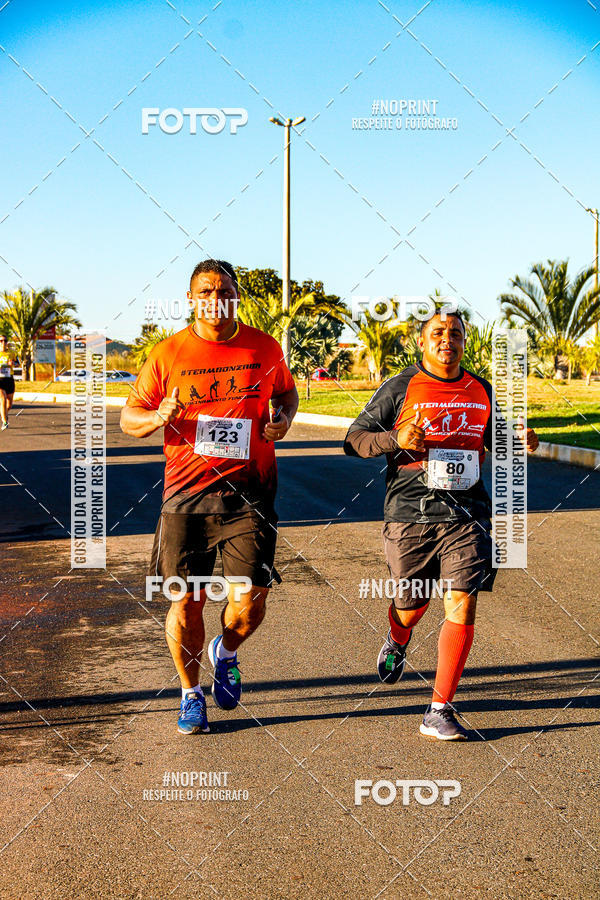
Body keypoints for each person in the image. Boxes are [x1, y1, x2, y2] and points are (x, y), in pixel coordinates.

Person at [120, 259, 298, 735]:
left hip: (251, 495)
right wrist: (158, 416)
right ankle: (189, 694)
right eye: (206, 290)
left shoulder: (263, 347)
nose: (215, 297)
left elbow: (287, 395)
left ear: (236, 296)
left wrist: (282, 418)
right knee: (186, 602)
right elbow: (128, 420)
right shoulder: (167, 353)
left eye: (225, 289)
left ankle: (228, 651)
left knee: (251, 600)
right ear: (192, 299)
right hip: (186, 497)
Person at [344, 312, 539, 740]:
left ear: (465, 342)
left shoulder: (481, 389)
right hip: (410, 516)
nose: (447, 340)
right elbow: (354, 440)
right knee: (411, 607)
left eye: (455, 333)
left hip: (467, 516)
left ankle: (439, 709)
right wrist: (395, 440)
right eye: (437, 333)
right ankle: (397, 640)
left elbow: (498, 439)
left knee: (462, 603)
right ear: (422, 343)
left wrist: (521, 440)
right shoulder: (401, 386)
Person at [0, 335, 17, 431]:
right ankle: (5, 421)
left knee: (9, 404)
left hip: (9, 378)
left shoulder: (12, 353)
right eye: (1, 341)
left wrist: (13, 364)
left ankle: (4, 413)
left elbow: (18, 362)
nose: (3, 343)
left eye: (5, 341)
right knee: (2, 398)